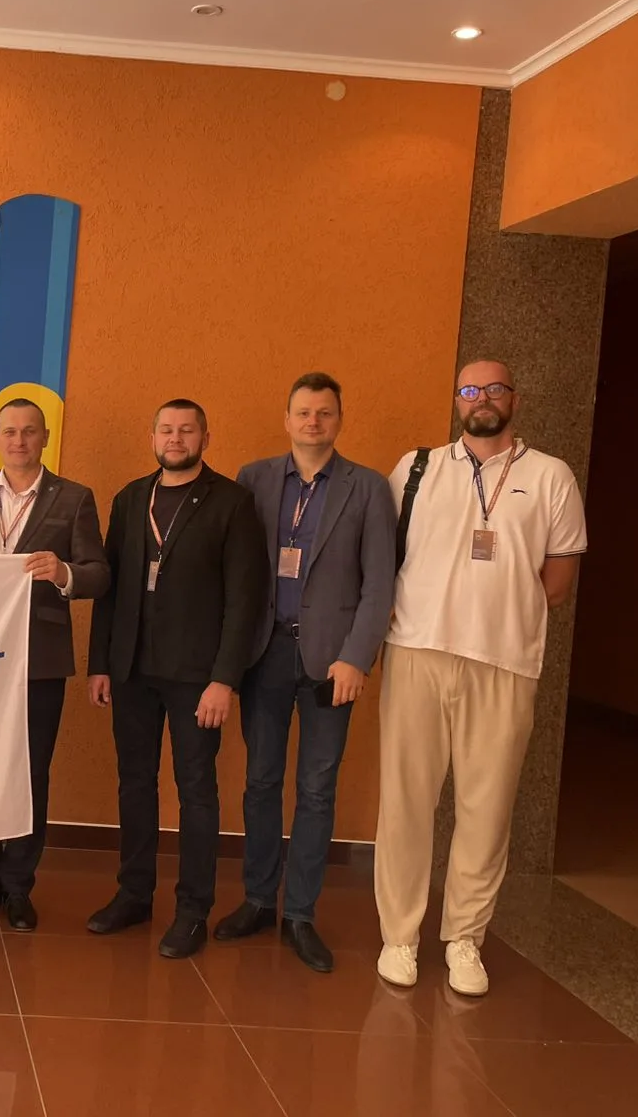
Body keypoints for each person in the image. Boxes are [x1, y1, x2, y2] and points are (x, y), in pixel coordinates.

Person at [375, 360, 585, 997]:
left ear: (513, 399)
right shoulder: (416, 469)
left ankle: (464, 938)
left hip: (504, 662)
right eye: (470, 389)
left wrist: (499, 610)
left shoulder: (550, 475)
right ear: (458, 400)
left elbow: (558, 579)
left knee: (486, 809)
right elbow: (383, 560)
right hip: (417, 651)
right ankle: (399, 937)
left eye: (494, 389)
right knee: (406, 803)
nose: (482, 398)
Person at [216, 373, 396, 972]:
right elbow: (238, 569)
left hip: (332, 663)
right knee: (261, 781)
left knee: (317, 790)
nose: (313, 422)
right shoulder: (254, 479)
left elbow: (379, 583)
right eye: (303, 412)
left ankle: (300, 914)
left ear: (339, 420)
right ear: (287, 419)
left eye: (324, 413)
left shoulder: (368, 488)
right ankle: (257, 900)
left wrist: (357, 657)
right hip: (263, 654)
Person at [85, 399, 268, 958]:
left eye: (187, 430)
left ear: (205, 438)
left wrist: (224, 680)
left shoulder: (232, 502)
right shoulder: (130, 499)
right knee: (135, 784)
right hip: (131, 671)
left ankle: (193, 910)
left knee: (196, 792)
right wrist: (100, 663)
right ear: (153, 436)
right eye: (166, 429)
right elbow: (110, 589)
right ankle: (134, 894)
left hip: (197, 678)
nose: (175, 438)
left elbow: (245, 600)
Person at [0, 397, 109, 932]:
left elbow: (99, 573)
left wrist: (63, 572)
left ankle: (18, 885)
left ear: (44, 438)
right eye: (9, 431)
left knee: (31, 773)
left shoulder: (74, 498)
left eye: (29, 431)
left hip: (40, 660)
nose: (19, 440)